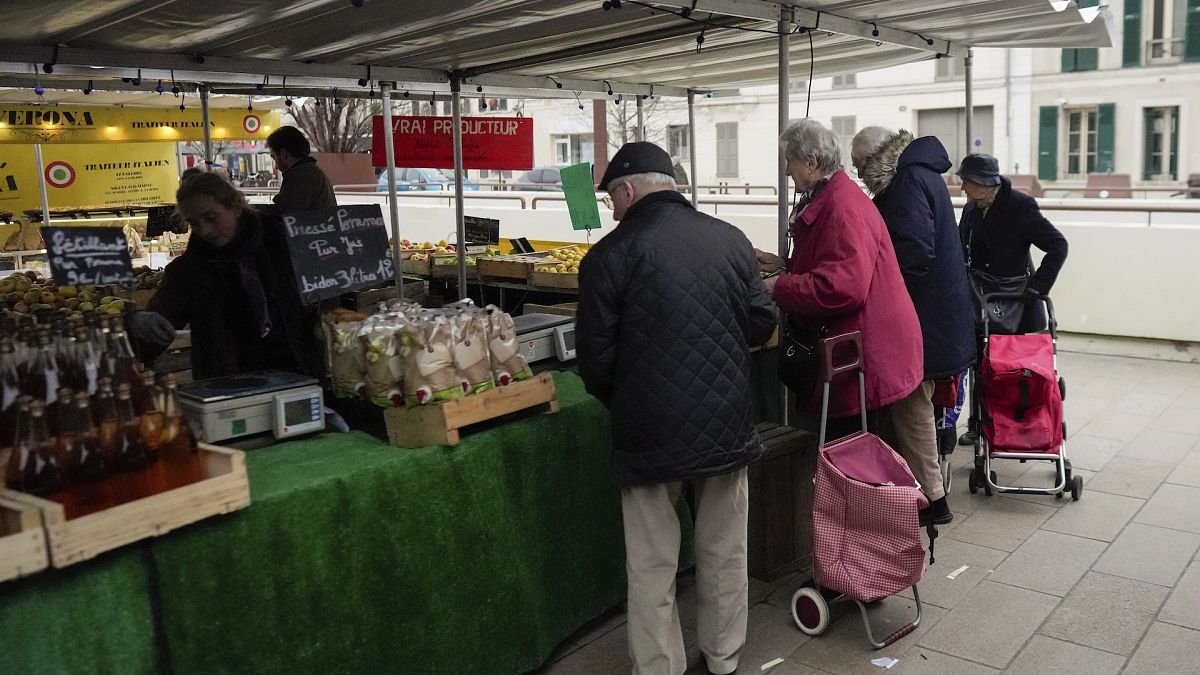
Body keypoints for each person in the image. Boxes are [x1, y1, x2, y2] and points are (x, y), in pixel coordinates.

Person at [577, 141, 776, 675]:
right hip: (726, 420)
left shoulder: (608, 257)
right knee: (724, 548)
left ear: (628, 190)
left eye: (611, 200)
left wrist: (625, 397)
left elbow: (594, 361)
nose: (612, 211)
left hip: (647, 425)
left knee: (651, 561)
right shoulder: (731, 241)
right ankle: (724, 657)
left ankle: (659, 666)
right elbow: (762, 321)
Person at [757, 118, 924, 459]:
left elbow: (843, 287)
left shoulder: (842, 206)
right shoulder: (837, 196)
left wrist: (779, 286)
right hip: (865, 347)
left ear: (811, 163)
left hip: (865, 353)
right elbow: (835, 264)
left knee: (852, 457)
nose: (786, 170)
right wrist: (784, 265)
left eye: (788, 161)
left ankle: (857, 513)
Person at [849, 126, 975, 525]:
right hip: (943, 317)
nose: (857, 175)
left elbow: (913, 253)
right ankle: (922, 491)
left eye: (858, 166)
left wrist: (879, 289)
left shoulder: (905, 182)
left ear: (873, 159)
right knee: (918, 408)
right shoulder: (922, 173)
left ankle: (933, 501)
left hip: (924, 322)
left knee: (911, 406)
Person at [131, 172, 324, 380]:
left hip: (300, 373)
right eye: (194, 223)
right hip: (229, 389)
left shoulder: (283, 242)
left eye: (211, 218)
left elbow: (324, 292)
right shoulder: (188, 271)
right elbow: (163, 316)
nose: (204, 230)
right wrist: (140, 329)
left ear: (236, 207)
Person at [955, 153, 1069, 446]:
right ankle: (979, 423)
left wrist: (1037, 287)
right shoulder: (971, 209)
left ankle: (1012, 423)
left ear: (984, 182)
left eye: (967, 182)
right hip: (977, 298)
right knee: (978, 365)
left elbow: (1058, 245)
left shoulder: (1020, 207)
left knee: (1007, 368)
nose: (963, 187)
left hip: (1014, 302)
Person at [266, 125, 337, 213]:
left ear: (283, 154)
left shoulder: (300, 176)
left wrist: (250, 210)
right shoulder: (313, 171)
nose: (276, 166)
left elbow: (283, 212)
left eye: (274, 158)